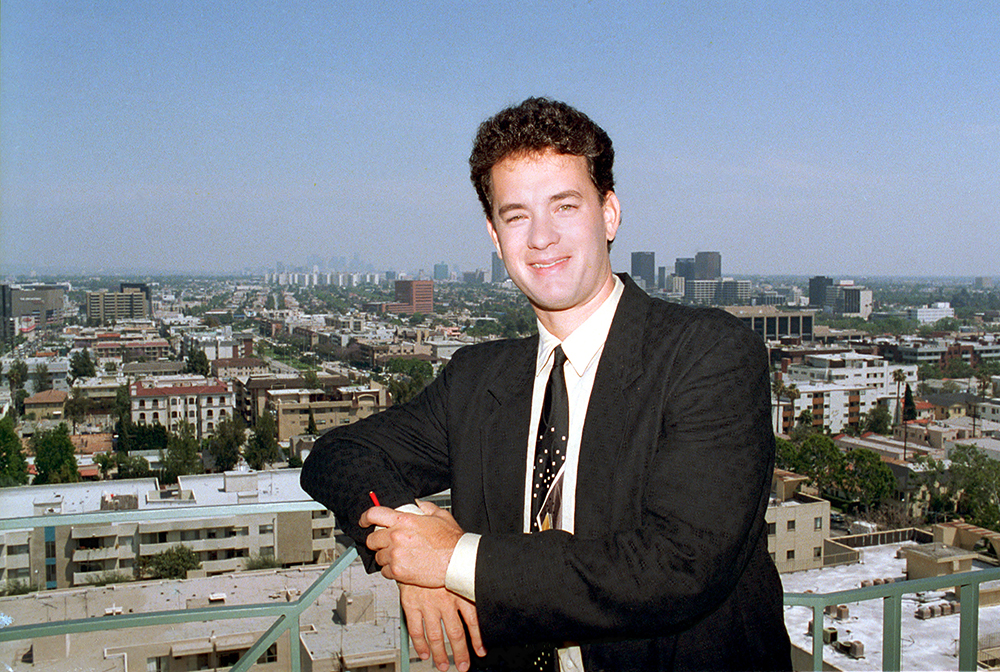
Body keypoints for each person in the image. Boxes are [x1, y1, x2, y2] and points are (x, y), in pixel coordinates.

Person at [301, 97, 791, 671]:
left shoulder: (706, 354)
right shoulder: (479, 379)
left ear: (608, 214)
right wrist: (408, 553)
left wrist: (455, 561)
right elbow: (339, 455)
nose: (540, 237)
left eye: (564, 206)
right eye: (516, 215)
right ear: (494, 234)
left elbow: (678, 565)